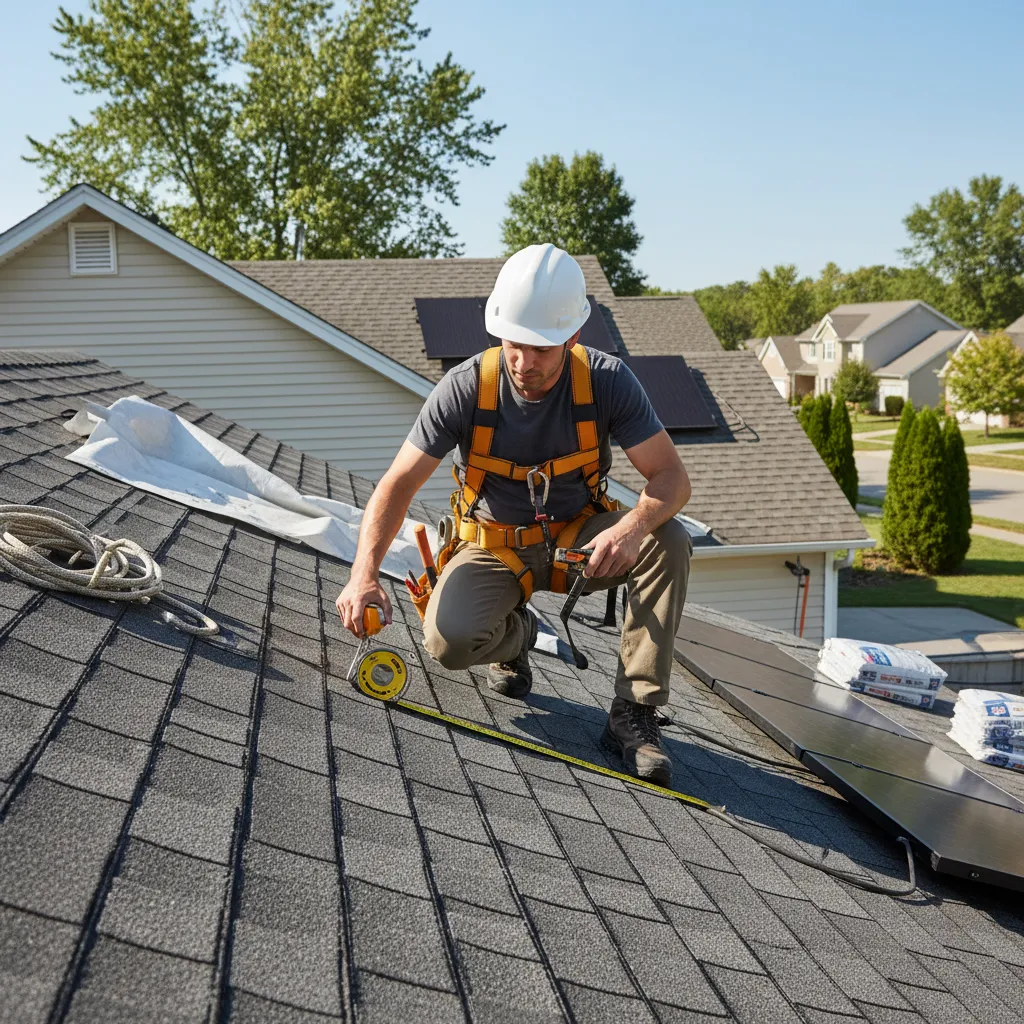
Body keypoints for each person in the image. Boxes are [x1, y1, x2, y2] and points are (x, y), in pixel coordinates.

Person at [337, 243, 692, 785]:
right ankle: (519, 634)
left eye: (541, 349)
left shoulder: (606, 381)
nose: (524, 363)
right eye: (514, 345)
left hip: (580, 542)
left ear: (572, 338)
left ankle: (634, 712)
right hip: (493, 547)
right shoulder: (465, 388)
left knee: (668, 538)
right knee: (448, 643)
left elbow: (671, 479)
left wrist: (631, 526)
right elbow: (397, 485)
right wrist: (363, 576)